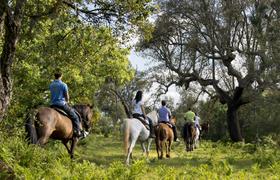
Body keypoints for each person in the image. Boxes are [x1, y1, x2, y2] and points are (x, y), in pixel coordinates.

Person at [49, 71, 82, 138]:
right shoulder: (63, 85)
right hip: (61, 104)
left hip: (52, 105)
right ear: (61, 76)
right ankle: (77, 131)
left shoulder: (51, 85)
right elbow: (67, 96)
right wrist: (67, 101)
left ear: (54, 76)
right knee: (75, 116)